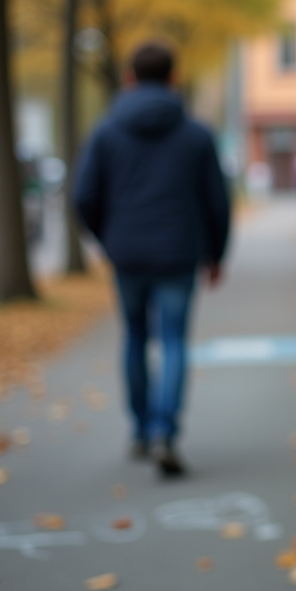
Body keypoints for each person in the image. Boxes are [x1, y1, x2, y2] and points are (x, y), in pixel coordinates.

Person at [74, 41, 230, 478]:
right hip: (180, 253)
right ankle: (166, 430)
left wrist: (107, 239)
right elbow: (217, 201)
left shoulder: (106, 133)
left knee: (135, 338)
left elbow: (84, 195)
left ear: (129, 79)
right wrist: (215, 253)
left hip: (127, 254)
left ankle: (141, 429)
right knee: (175, 340)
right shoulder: (197, 134)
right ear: (173, 78)